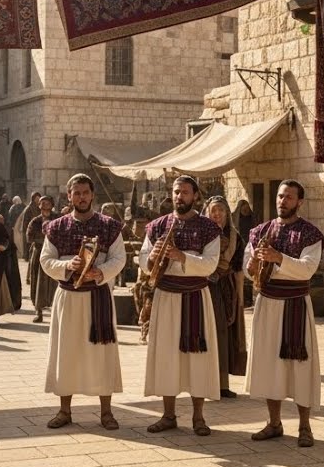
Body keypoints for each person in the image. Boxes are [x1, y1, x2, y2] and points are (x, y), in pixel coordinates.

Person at [40, 174, 127, 431]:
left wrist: (99, 273)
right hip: (68, 298)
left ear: (93, 195)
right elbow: (46, 260)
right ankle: (64, 410)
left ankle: (107, 412)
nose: (81, 197)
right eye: (76, 193)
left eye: (85, 193)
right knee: (66, 353)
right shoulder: (56, 227)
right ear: (69, 196)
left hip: (97, 297)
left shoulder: (110, 226)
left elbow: (119, 258)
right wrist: (68, 265)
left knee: (102, 353)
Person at [243, 179, 324, 448]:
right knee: (269, 364)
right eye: (280, 196)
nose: (283, 201)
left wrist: (278, 259)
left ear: (299, 201)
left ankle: (304, 426)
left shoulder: (310, 234)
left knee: (299, 366)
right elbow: (248, 268)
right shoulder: (259, 232)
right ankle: (274, 422)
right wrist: (253, 265)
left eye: (289, 197)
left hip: (295, 305)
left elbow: (307, 269)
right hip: (267, 303)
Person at [140, 175, 222, 437]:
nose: (180, 196)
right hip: (166, 297)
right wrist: (150, 258)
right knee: (166, 356)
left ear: (195, 195)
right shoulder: (156, 226)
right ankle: (168, 415)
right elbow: (142, 260)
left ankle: (199, 417)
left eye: (185, 192)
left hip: (196, 296)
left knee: (197, 358)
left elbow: (210, 264)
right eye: (176, 192)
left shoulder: (209, 228)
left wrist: (180, 256)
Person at [204, 195, 248, 398]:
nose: (217, 214)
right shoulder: (201, 234)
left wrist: (239, 298)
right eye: (213, 210)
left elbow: (238, 269)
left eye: (221, 210)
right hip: (203, 287)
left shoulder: (234, 237)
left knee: (222, 334)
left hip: (225, 290)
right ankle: (202, 383)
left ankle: (221, 384)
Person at [25, 194, 57, 323]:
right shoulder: (35, 221)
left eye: (47, 203)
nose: (44, 205)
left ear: (51, 204)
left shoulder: (58, 219)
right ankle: (38, 311)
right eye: (42, 203)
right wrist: (43, 239)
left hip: (54, 254)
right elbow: (29, 237)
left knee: (55, 281)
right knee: (38, 282)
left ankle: (56, 311)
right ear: (39, 206)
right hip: (39, 253)